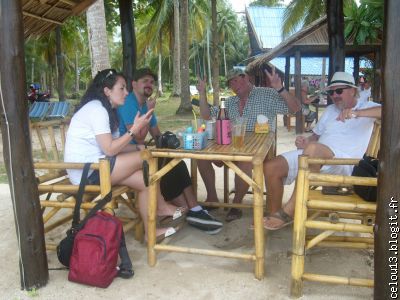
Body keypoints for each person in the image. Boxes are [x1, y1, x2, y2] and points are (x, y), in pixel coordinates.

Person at [64, 69, 186, 276]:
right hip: (87, 173)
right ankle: (162, 205)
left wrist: (139, 147)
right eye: (121, 88)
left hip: (100, 165)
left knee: (143, 177)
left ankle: (151, 232)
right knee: (146, 159)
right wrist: (134, 131)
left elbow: (113, 147)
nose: (126, 92)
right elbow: (110, 149)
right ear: (107, 90)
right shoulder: (97, 110)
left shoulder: (108, 111)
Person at [263, 71, 382, 230]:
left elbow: (391, 111)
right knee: (271, 166)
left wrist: (357, 113)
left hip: (346, 163)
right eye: (331, 92)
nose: (335, 95)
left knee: (312, 151)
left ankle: (290, 211)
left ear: (353, 90)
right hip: (315, 156)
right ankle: (274, 213)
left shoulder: (367, 107)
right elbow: (315, 137)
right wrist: (305, 141)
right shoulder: (330, 110)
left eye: (339, 91)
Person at [117, 67, 223, 234]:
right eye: (145, 81)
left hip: (138, 152)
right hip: (126, 155)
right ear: (134, 84)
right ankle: (190, 208)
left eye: (152, 82)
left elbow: (157, 134)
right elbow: (138, 137)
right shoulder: (129, 103)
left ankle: (192, 207)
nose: (149, 84)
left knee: (176, 162)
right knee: (165, 166)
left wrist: (172, 142)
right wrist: (150, 112)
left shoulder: (144, 104)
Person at [197, 67, 301, 222]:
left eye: (236, 80)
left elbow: (295, 109)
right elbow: (206, 115)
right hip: (232, 146)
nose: (233, 84)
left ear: (246, 78)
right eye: (231, 82)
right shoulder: (230, 102)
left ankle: (236, 205)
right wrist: (202, 93)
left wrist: (280, 88)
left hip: (261, 148)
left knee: (246, 159)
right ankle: (212, 197)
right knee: (201, 156)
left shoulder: (266, 94)